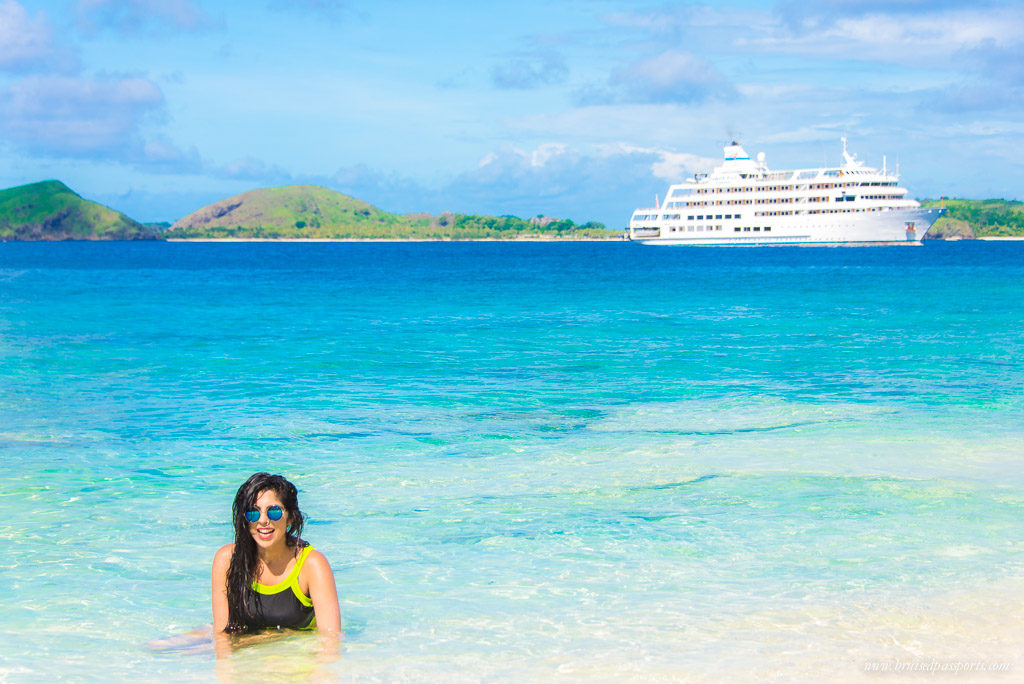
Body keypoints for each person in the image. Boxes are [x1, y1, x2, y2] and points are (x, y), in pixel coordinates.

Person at [211, 472, 341, 636]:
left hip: (293, 652)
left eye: (274, 512)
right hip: (248, 647)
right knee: (173, 647)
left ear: (290, 517)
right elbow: (222, 636)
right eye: (253, 512)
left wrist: (271, 642)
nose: (263, 520)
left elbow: (331, 639)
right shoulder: (227, 559)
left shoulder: (312, 564)